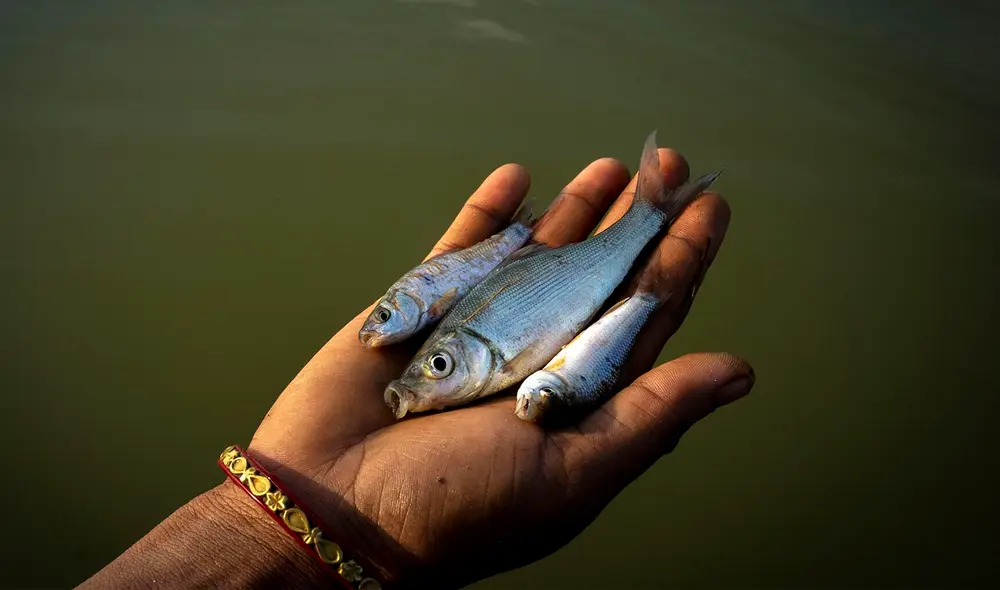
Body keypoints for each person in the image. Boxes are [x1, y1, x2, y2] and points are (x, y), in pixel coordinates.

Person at [81, 148, 755, 589]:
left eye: (436, 365)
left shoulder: (492, 355)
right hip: (554, 293)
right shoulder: (469, 367)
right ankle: (653, 211)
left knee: (647, 246)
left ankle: (650, 214)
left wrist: (275, 537)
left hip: (572, 280)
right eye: (435, 366)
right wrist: (318, 522)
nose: (424, 378)